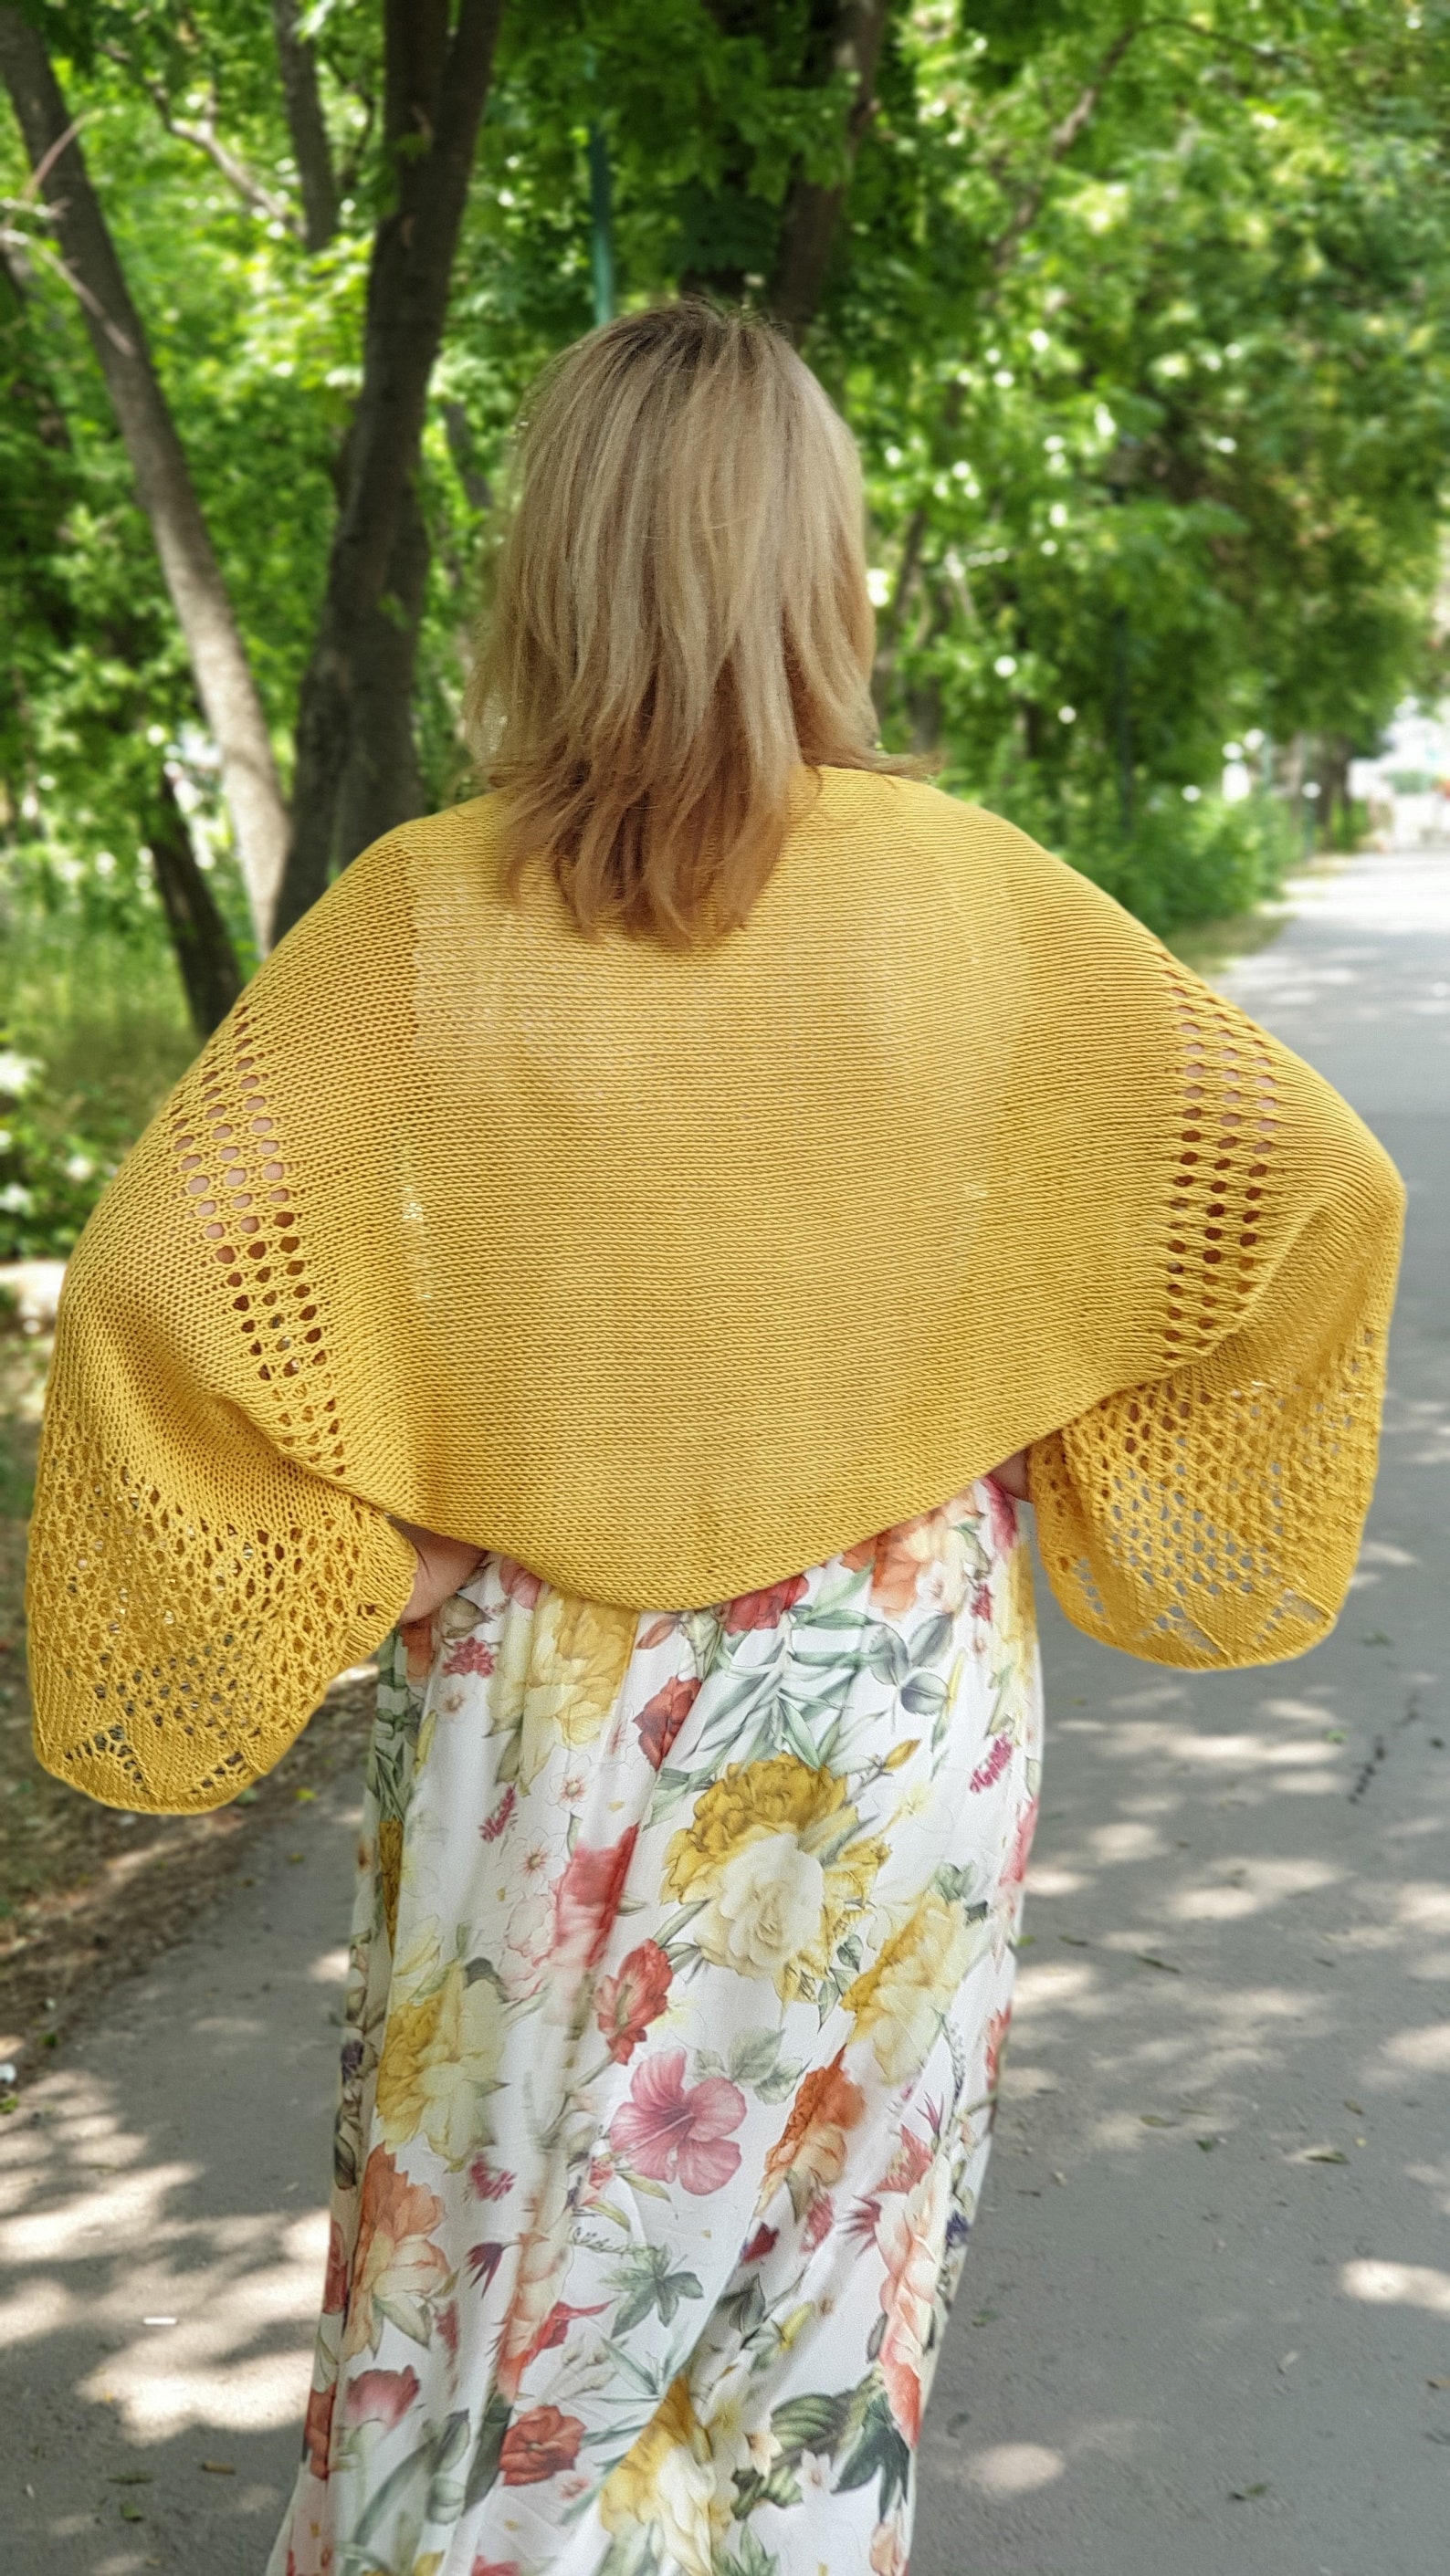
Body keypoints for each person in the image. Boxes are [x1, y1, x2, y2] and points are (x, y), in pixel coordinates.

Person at [26, 303, 1403, 2576]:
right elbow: (1308, 1200)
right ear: (820, 576)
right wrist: (1034, 1456)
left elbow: (158, 1298)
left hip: (545, 1712)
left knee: (491, 2317)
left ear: (548, 576)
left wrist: (376, 1549)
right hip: (901, 1699)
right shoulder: (987, 911)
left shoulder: (415, 926)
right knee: (801, 2349)